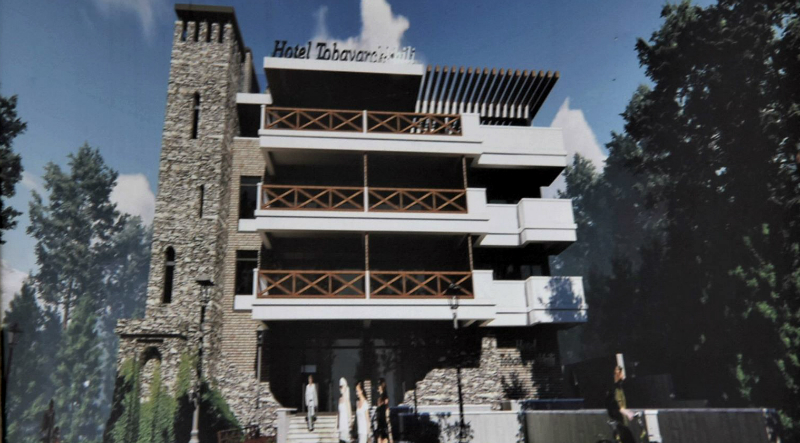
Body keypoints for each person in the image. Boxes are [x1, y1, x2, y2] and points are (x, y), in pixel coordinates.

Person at [605, 365, 635, 443]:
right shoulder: (613, 389)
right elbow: (614, 404)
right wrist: (624, 411)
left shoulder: (620, 388)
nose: (621, 376)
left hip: (622, 423)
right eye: (619, 373)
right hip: (618, 423)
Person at [375, 378, 392, 443]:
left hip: (384, 424)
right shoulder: (379, 399)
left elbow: (386, 411)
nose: (378, 387)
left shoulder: (385, 399)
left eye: (379, 385)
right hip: (379, 425)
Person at [337, 377, 352, 443]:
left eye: (342, 387)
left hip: (346, 425)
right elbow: (339, 413)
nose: (341, 389)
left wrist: (350, 422)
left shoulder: (347, 400)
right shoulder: (340, 400)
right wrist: (337, 423)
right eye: (340, 387)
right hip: (341, 425)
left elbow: (349, 412)